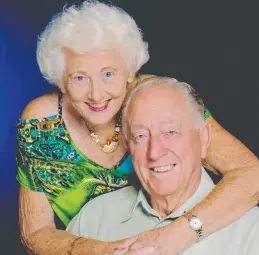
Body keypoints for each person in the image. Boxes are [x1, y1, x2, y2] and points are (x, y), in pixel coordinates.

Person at [16, 1, 259, 255]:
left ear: (130, 71)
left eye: (108, 74)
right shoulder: (41, 124)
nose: (97, 94)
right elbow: (35, 232)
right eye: (79, 77)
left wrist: (175, 236)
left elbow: (251, 174)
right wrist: (110, 251)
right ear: (61, 81)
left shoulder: (153, 98)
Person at [67, 77, 259, 255]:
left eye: (171, 132)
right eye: (141, 136)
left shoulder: (251, 229)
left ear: (203, 138)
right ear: (127, 145)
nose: (155, 152)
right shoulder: (93, 219)